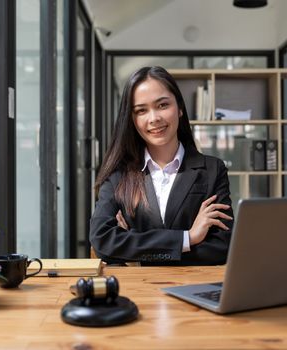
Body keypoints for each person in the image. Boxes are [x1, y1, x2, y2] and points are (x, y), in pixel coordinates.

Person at [89, 66, 233, 265]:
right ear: (132, 119)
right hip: (137, 291)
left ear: (180, 108)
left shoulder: (212, 170)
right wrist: (188, 238)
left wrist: (136, 254)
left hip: (193, 289)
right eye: (141, 110)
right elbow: (102, 241)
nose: (154, 118)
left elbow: (221, 247)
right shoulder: (118, 174)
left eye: (163, 105)